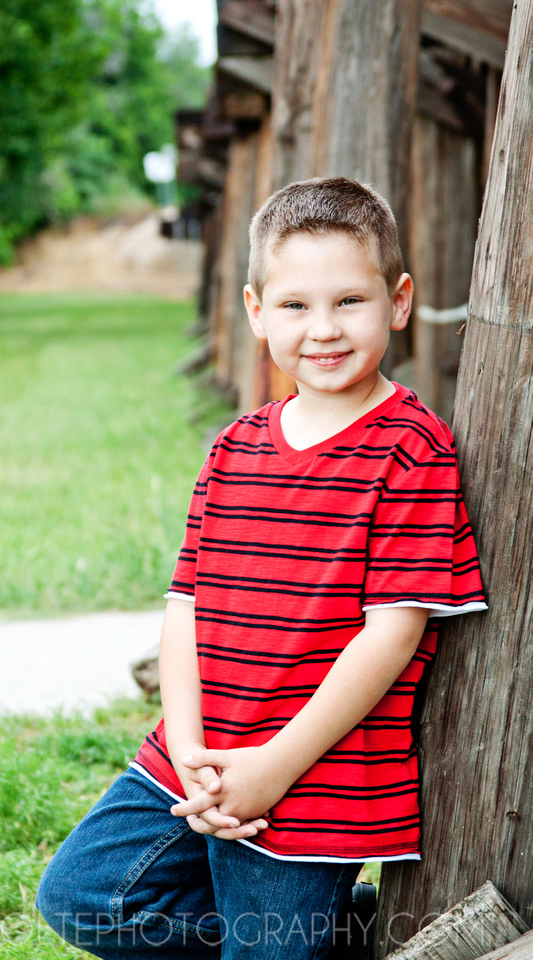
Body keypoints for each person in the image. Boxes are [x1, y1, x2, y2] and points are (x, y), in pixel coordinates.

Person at [36, 177, 488, 959]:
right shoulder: (234, 446)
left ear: (400, 301)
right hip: (197, 753)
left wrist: (271, 771)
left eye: (351, 301)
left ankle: (303, 937)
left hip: (316, 781)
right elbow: (185, 606)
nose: (323, 330)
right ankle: (329, 937)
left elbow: (391, 635)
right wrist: (191, 758)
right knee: (83, 897)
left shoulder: (411, 448)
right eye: (294, 306)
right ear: (255, 312)